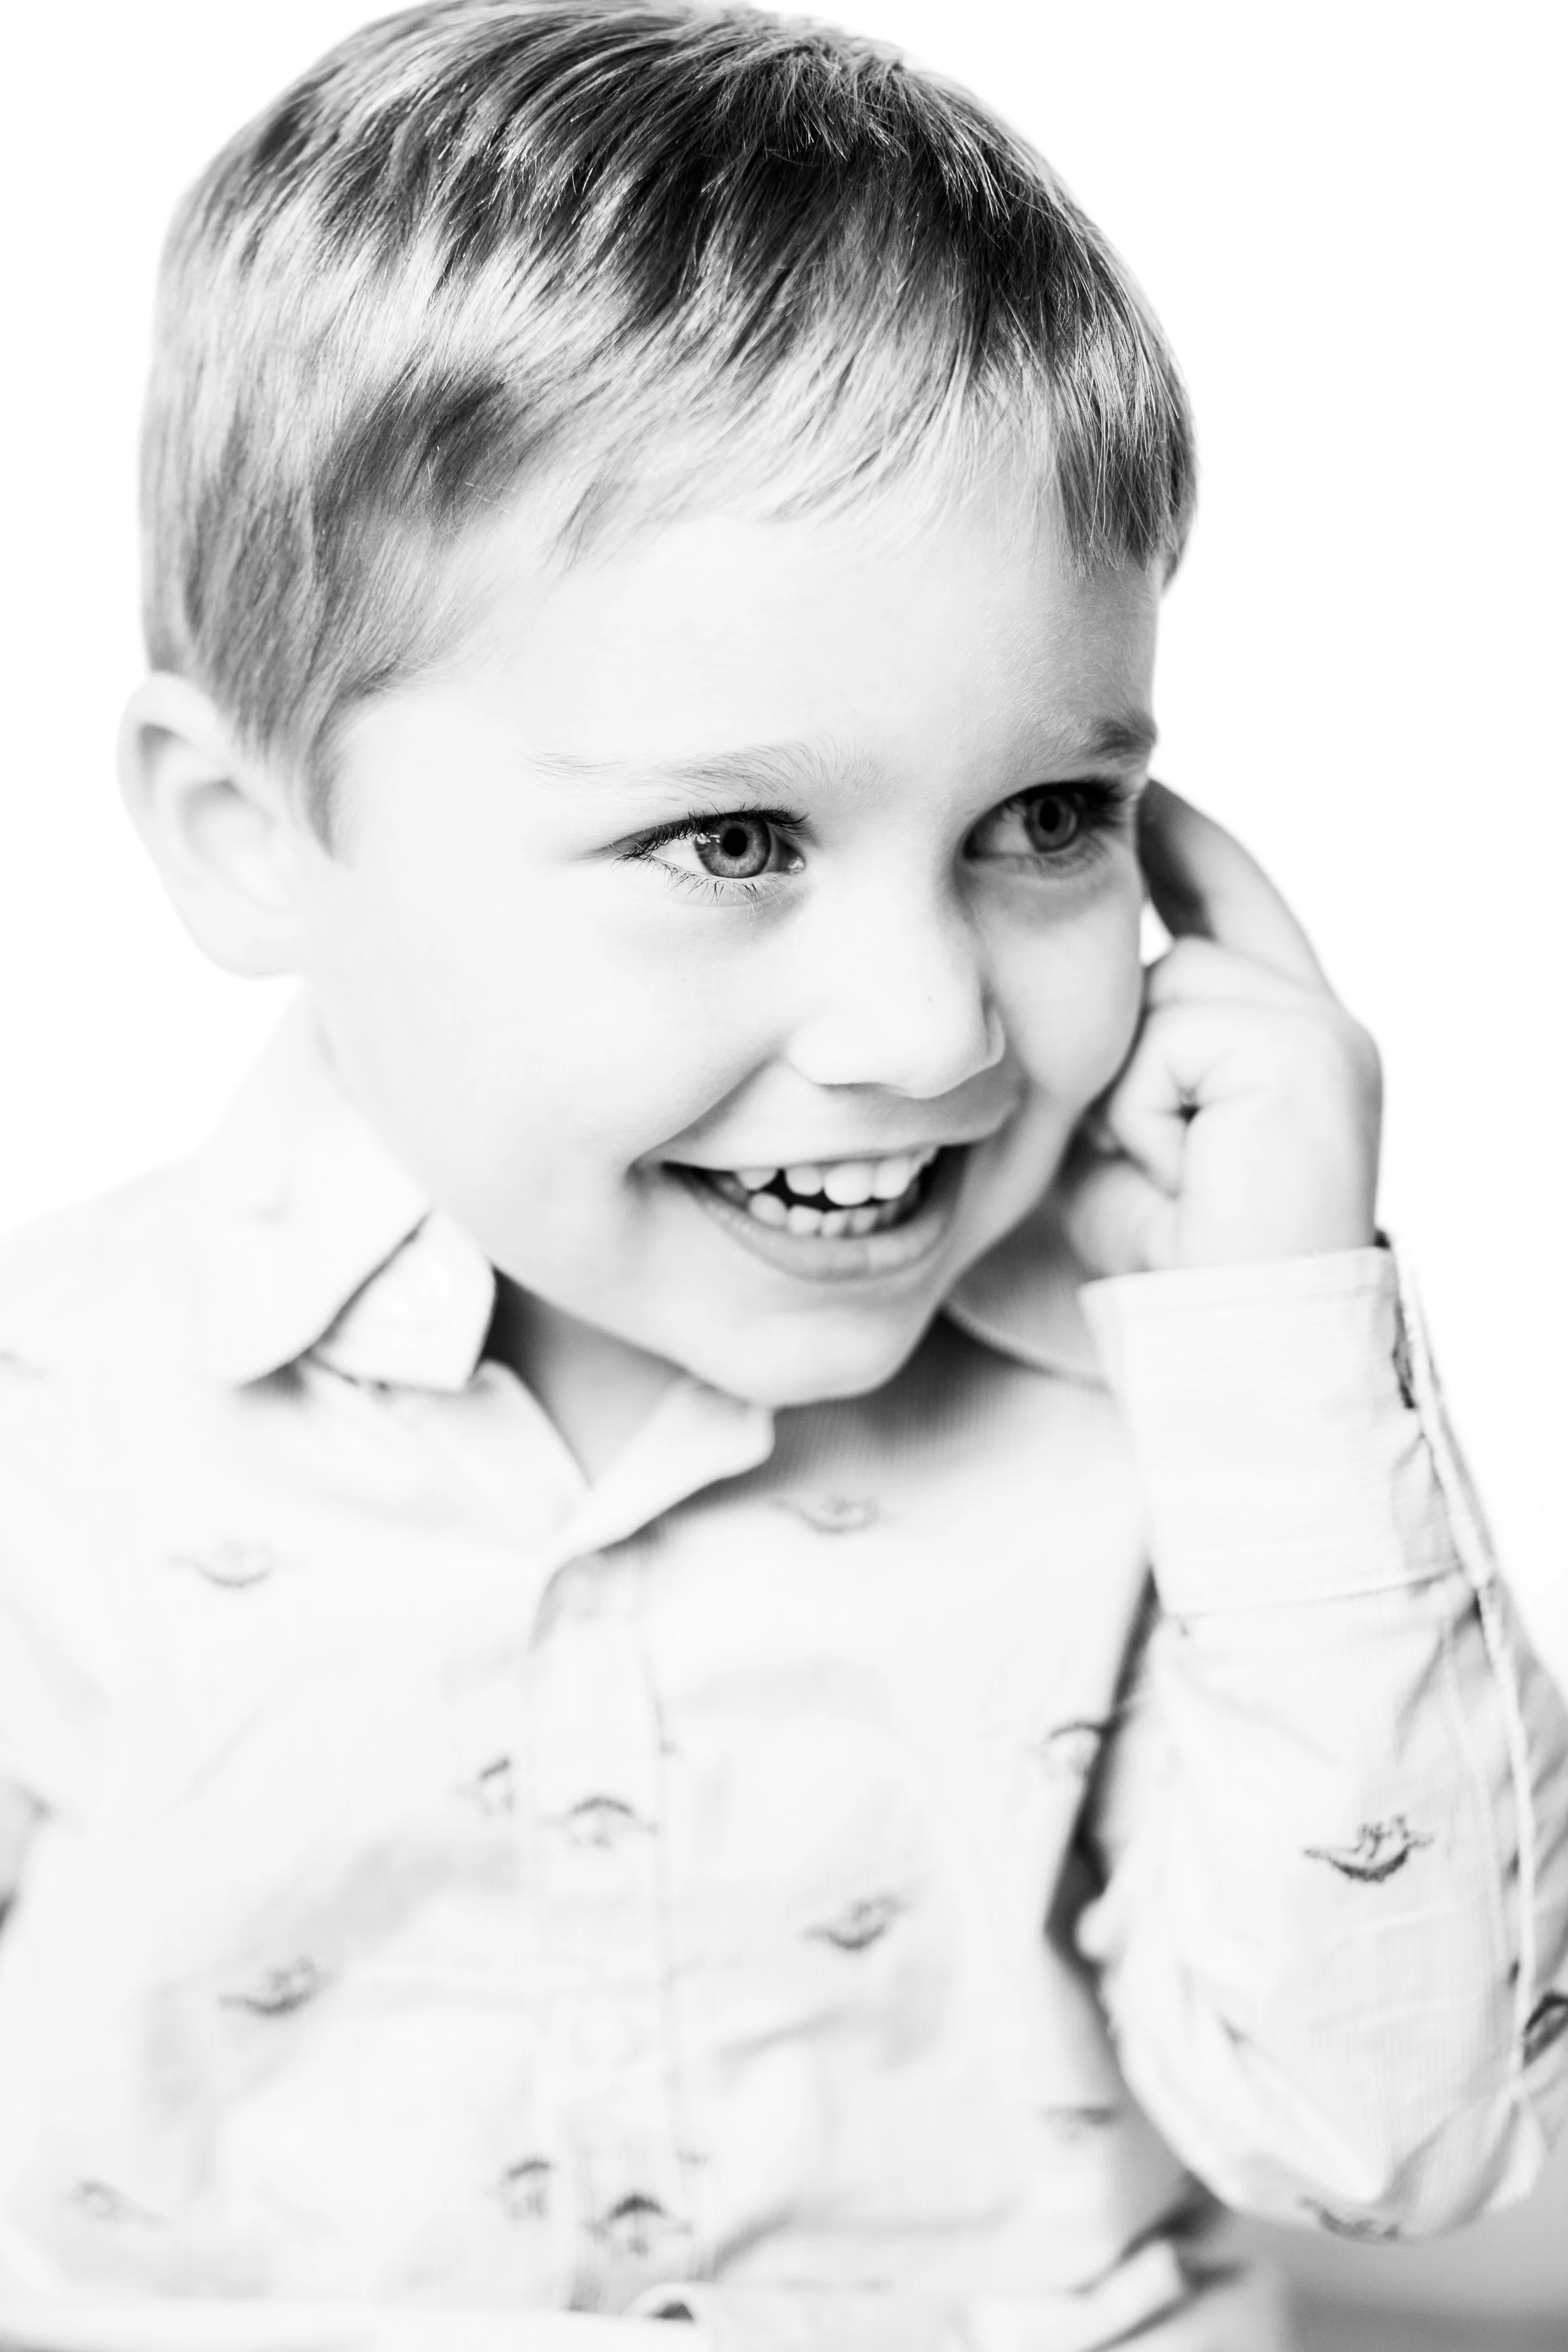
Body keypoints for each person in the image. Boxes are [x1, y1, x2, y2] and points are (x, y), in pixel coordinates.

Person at [0, 5, 1564, 2347]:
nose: (933, 1026)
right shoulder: (54, 1419)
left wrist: (1280, 1349)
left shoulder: (1189, 1438)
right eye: (729, 839)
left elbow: (1407, 2140)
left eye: (1044, 822)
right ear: (253, 840)